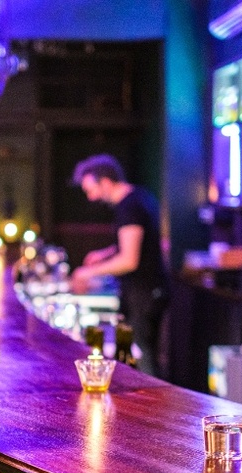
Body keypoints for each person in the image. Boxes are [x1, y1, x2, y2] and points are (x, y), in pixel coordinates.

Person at [69, 153, 169, 377]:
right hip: (151, 290)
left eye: (90, 190)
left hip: (145, 293)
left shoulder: (129, 207)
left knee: (144, 358)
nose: (91, 197)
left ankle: (157, 408)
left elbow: (129, 260)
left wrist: (88, 272)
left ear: (105, 181)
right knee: (143, 354)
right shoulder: (139, 197)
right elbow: (139, 244)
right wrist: (104, 254)